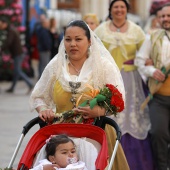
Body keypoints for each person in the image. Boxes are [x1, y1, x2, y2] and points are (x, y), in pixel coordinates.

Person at [30, 20, 129, 170]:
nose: (72, 44)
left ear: (89, 41)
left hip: (97, 132)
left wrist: (100, 111)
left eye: (78, 39)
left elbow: (118, 99)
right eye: (68, 39)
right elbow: (39, 96)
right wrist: (43, 109)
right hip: (60, 135)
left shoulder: (102, 66)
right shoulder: (55, 65)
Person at [94, 0, 155, 170]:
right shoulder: (101, 29)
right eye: (116, 7)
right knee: (111, 116)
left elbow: (146, 51)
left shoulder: (136, 30)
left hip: (131, 80)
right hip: (108, 80)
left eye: (122, 7)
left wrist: (149, 60)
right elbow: (94, 51)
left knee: (132, 116)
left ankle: (136, 163)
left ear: (127, 10)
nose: (119, 10)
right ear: (110, 10)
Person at [135, 3, 170, 170]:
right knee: (158, 133)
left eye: (169, 16)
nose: (165, 19)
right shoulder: (153, 37)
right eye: (163, 16)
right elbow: (139, 61)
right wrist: (152, 70)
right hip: (159, 96)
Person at [0, 16, 33, 93]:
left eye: (1, 24)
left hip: (18, 54)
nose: (0, 26)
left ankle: (30, 84)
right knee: (16, 72)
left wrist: (1, 48)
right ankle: (12, 88)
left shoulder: (11, 31)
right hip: (17, 53)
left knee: (17, 71)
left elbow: (9, 42)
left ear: (5, 24)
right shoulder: (11, 30)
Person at [35, 14, 52, 79]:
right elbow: (45, 41)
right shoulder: (43, 31)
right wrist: (48, 47)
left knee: (41, 64)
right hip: (44, 50)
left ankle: (41, 77)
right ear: (44, 23)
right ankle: (43, 78)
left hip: (42, 49)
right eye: (47, 23)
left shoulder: (42, 30)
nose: (48, 24)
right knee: (44, 65)